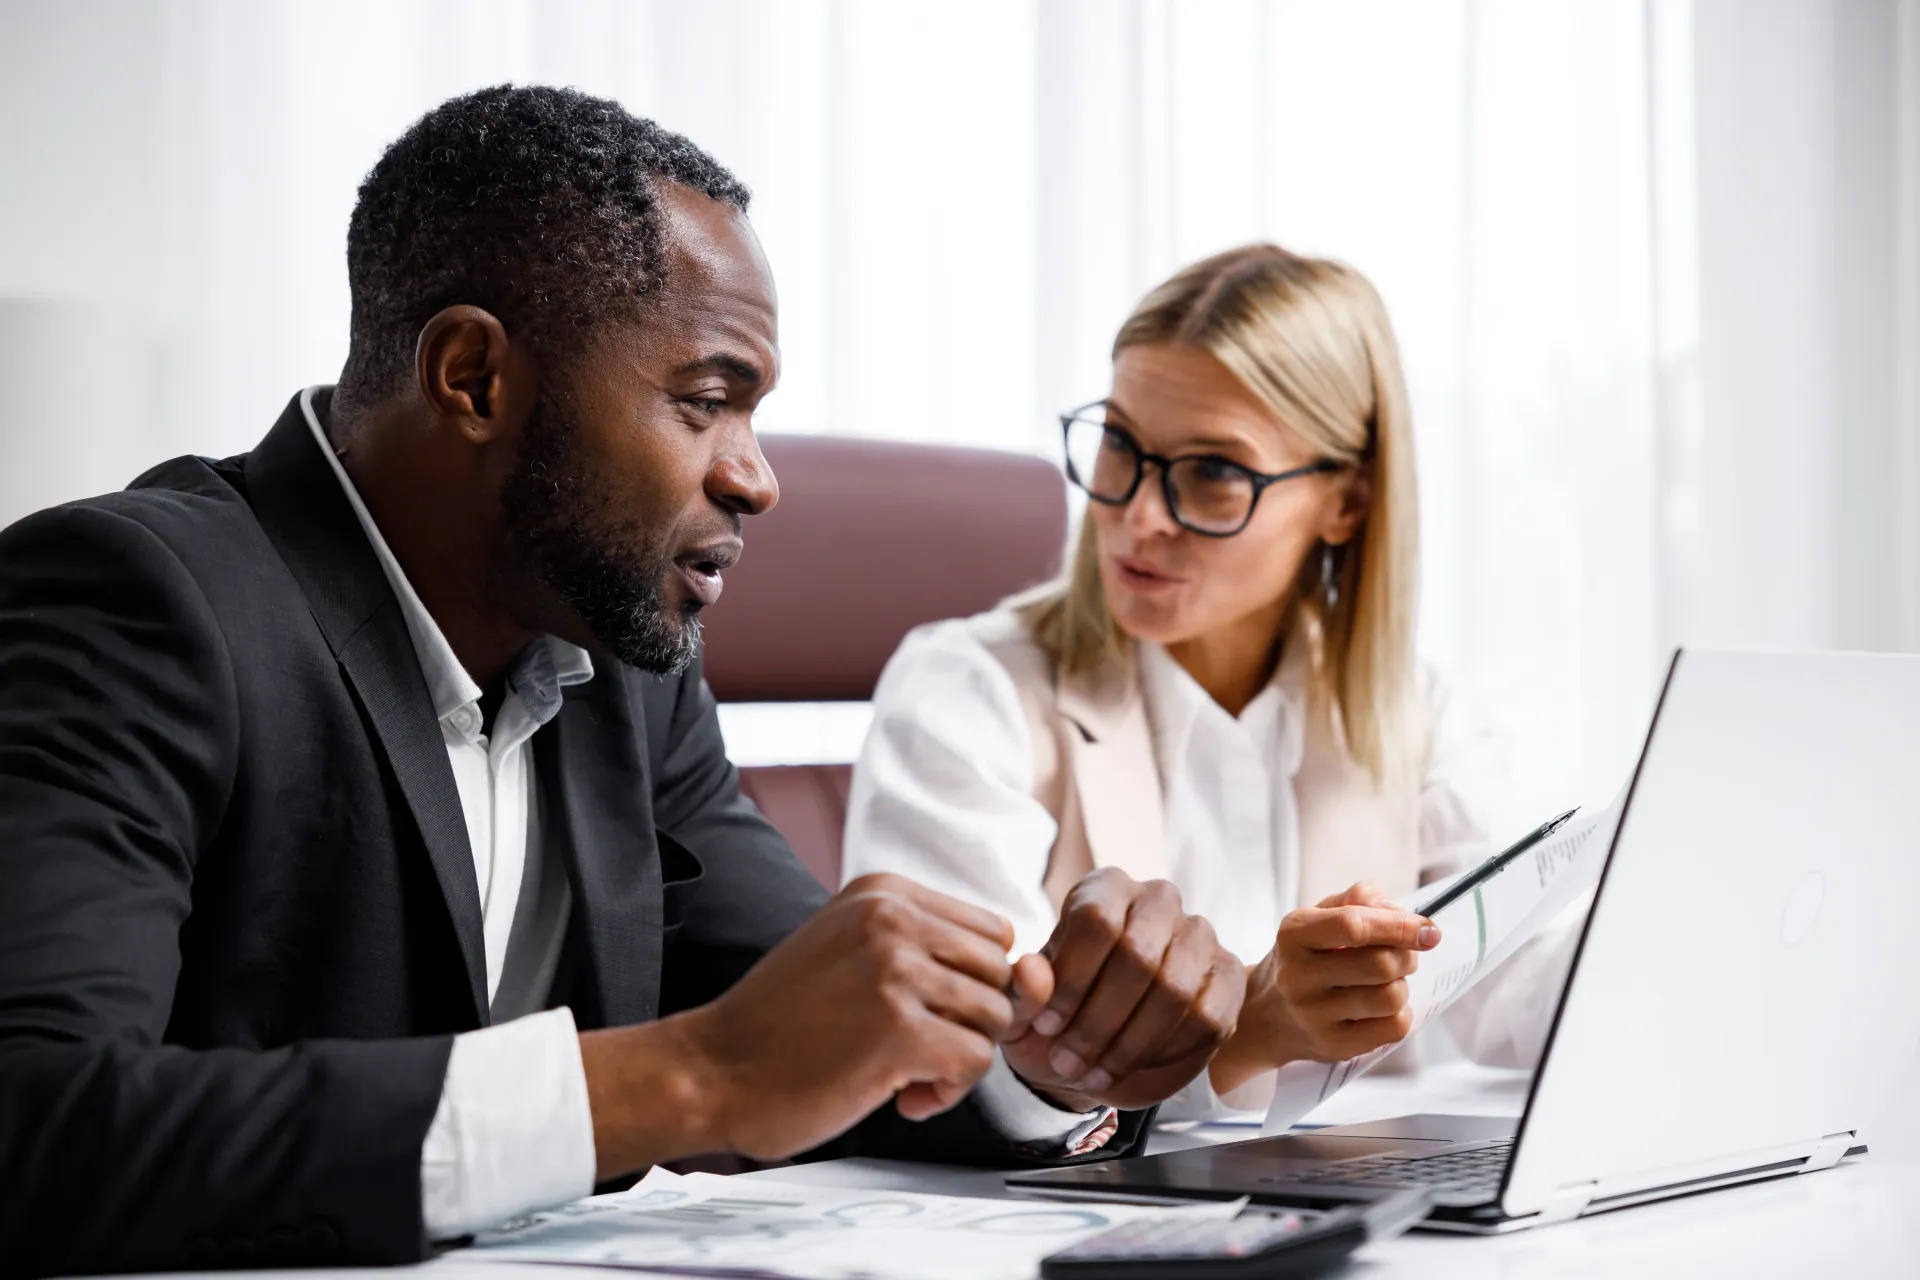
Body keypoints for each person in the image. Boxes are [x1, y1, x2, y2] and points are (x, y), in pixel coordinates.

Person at [0, 87, 1247, 1277]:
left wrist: (1047, 1048)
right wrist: (686, 1077)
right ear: (473, 378)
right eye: (707, 402)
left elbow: (806, 1024)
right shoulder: (133, 598)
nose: (757, 477)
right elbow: (35, 1120)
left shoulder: (624, 662)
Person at [844, 244, 1576, 1116]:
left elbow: (1531, 988)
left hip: (1364, 1202)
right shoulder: (969, 689)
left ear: (1347, 502)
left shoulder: (1416, 711)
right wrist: (1253, 1032)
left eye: (1215, 473)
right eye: (1120, 444)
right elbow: (958, 1069)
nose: (1138, 515)